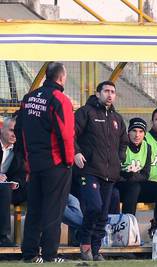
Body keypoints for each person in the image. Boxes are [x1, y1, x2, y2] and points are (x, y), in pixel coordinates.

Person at [16, 62, 74, 263]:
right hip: (56, 164)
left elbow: (19, 130)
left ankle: (30, 254)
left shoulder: (28, 98)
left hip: (33, 163)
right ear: (61, 78)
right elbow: (66, 134)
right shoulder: (60, 99)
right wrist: (68, 161)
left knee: (35, 210)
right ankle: (50, 254)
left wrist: (25, 159)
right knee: (53, 211)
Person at [74, 81, 128, 261]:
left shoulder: (117, 118)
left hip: (110, 172)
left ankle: (95, 251)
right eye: (106, 91)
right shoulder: (85, 112)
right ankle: (84, 241)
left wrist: (119, 159)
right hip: (89, 170)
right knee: (94, 207)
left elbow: (124, 142)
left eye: (113, 91)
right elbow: (71, 135)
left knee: (103, 214)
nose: (110, 95)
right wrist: (76, 152)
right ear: (98, 94)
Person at [117, 117, 157, 233]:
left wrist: (133, 176)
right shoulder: (122, 146)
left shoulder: (147, 147)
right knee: (134, 187)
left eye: (141, 132)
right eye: (134, 131)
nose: (137, 135)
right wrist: (128, 176)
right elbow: (115, 172)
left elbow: (145, 174)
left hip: (137, 183)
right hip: (121, 186)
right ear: (128, 132)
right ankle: (127, 228)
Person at [0, 117, 25, 247]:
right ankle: (3, 237)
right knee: (4, 190)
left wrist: (16, 182)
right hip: (3, 190)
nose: (14, 134)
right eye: (11, 130)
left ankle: (36, 240)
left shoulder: (18, 149)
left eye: (17, 131)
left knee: (34, 190)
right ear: (1, 129)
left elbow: (20, 173)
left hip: (8, 189)